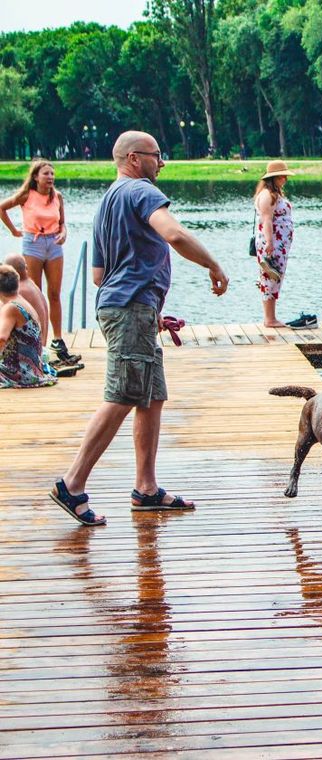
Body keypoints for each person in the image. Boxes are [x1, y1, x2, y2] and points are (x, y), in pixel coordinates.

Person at [48, 130, 228, 527]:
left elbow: (98, 275)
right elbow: (174, 233)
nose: (161, 162)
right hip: (130, 309)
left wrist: (146, 309)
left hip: (129, 307)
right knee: (124, 393)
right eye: (156, 155)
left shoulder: (106, 202)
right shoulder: (140, 192)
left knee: (150, 396)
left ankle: (146, 489)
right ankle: (72, 483)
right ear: (133, 159)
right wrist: (214, 265)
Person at [0, 160, 80, 366]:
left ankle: (58, 339)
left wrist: (63, 234)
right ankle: (39, 341)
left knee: (54, 293)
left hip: (53, 244)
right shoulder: (26, 196)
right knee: (34, 291)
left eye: (52, 174)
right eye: (46, 174)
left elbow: (63, 224)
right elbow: (2, 208)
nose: (51, 177)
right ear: (36, 177)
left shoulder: (57, 197)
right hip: (33, 243)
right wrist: (13, 230)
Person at [253, 160, 305, 328]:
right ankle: (269, 319)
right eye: (282, 176)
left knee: (276, 276)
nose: (285, 179)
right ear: (274, 178)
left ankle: (272, 317)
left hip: (279, 244)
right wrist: (269, 242)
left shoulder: (274, 194)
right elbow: (267, 220)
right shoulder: (267, 195)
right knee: (270, 277)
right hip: (272, 243)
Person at [0, 264, 56, 389]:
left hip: (19, 372)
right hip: (32, 370)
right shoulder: (22, 302)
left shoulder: (10, 308)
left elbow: (2, 339)